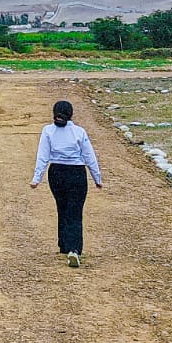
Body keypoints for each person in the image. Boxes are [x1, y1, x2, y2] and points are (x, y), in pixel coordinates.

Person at [30, 99, 103, 267]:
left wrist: (36, 178)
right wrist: (97, 178)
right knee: (75, 211)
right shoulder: (79, 132)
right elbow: (89, 156)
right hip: (76, 173)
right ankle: (74, 249)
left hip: (56, 173)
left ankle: (63, 244)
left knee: (62, 207)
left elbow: (43, 156)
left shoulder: (48, 131)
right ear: (71, 115)